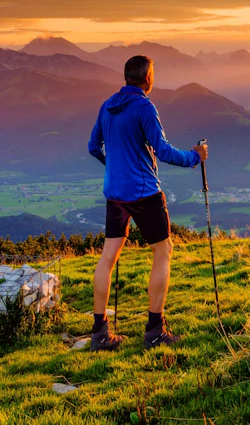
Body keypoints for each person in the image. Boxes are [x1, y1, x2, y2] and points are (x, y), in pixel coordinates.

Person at [86, 55, 209, 351]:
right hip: (143, 192)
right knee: (163, 250)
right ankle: (154, 330)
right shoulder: (144, 107)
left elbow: (94, 146)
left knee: (108, 257)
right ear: (148, 78)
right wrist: (196, 156)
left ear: (126, 76)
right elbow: (163, 151)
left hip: (114, 192)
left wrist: (114, 165)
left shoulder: (107, 106)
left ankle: (99, 333)